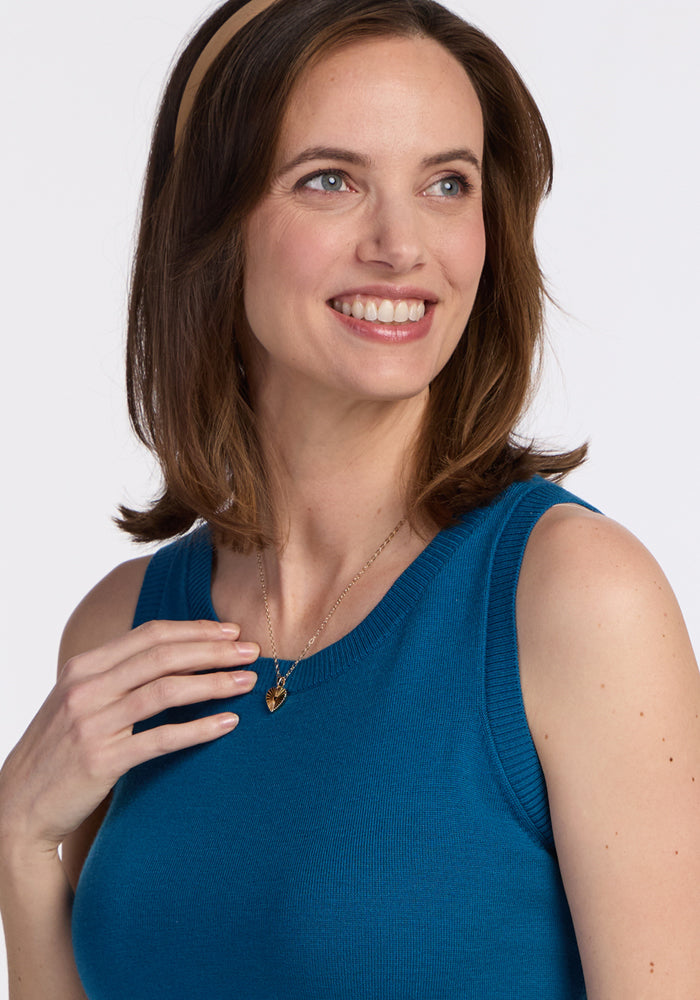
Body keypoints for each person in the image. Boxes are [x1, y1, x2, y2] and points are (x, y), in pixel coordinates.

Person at [0, 0, 698, 996]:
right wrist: (20, 844)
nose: (401, 245)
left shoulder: (575, 599)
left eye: (446, 184)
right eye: (329, 180)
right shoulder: (120, 631)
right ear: (213, 222)